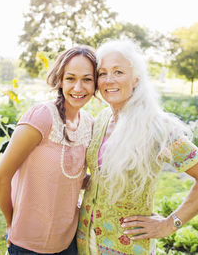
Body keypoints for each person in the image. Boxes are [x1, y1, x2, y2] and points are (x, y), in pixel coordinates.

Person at [77, 40, 198, 255]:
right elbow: (98, 178)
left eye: (118, 72)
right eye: (102, 73)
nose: (109, 80)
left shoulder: (157, 127)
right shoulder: (102, 118)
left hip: (128, 247)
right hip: (85, 242)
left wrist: (170, 224)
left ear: (136, 79)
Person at [0, 45, 97, 255]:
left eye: (87, 79)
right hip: (27, 244)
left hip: (69, 242)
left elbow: (73, 177)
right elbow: (1, 176)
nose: (78, 87)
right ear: (60, 81)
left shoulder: (89, 123)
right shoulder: (42, 116)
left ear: (96, 83)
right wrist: (10, 223)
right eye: (70, 78)